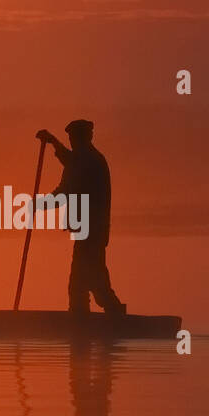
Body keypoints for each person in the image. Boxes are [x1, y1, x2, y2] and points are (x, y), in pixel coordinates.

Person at [35, 120, 127, 317]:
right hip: (92, 230)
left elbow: (64, 193)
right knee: (87, 281)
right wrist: (53, 142)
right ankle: (88, 322)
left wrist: (38, 205)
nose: (71, 141)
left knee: (86, 282)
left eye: (72, 138)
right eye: (69, 138)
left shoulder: (86, 160)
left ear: (82, 138)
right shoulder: (89, 157)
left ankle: (96, 321)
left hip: (90, 232)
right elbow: (69, 159)